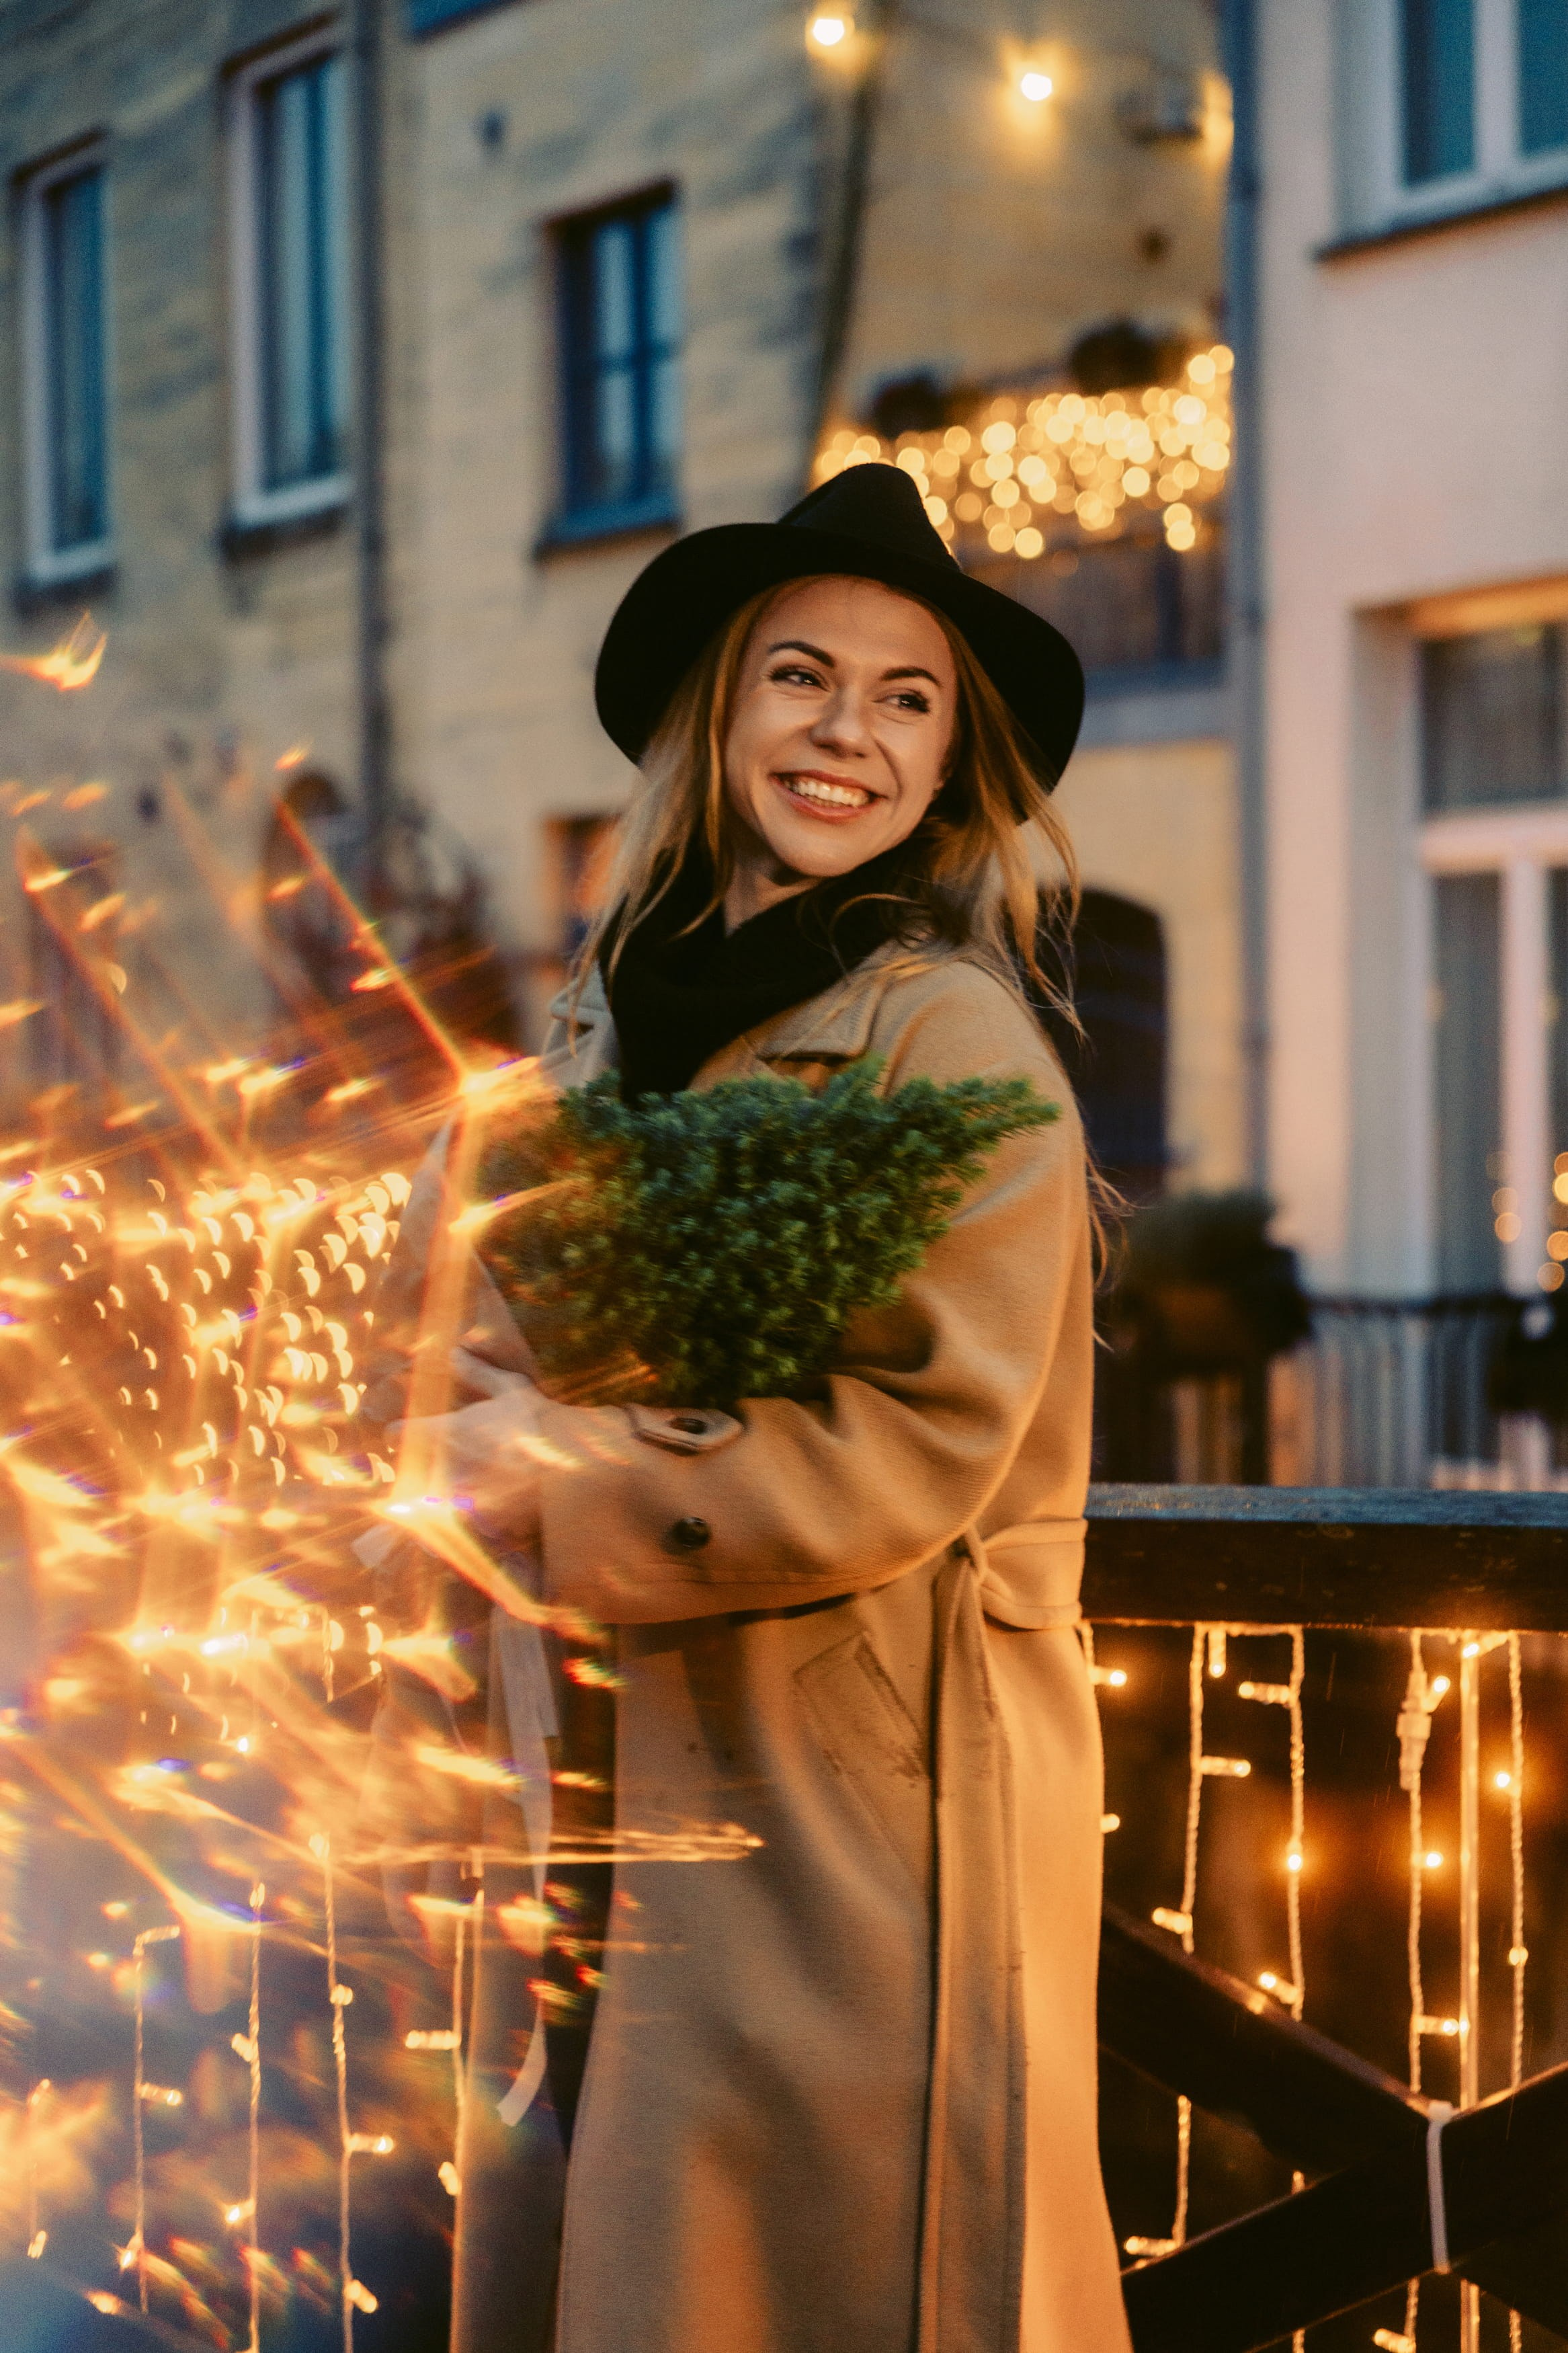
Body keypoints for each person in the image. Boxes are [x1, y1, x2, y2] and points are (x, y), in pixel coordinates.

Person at [372, 463, 1132, 2353]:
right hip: (611, 1770)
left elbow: (920, 1444)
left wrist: (559, 1472)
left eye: (906, 699)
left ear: (952, 763)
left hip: (859, 1794)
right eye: (804, 677)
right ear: (720, 708)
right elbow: (491, 1333)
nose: (847, 735)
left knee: (816, 2275)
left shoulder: (944, 1036)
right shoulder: (603, 1017)